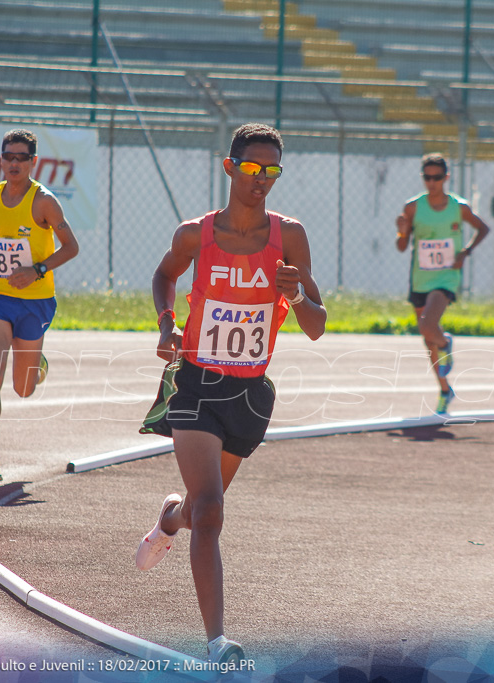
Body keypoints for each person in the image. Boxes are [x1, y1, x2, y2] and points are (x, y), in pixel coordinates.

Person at [134, 123, 326, 665]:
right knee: (215, 512)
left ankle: (170, 519)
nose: (259, 179)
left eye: (271, 171)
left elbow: (316, 323)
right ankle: (218, 641)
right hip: (196, 380)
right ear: (229, 167)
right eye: (250, 168)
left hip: (249, 393)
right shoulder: (196, 234)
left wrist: (296, 294)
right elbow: (164, 274)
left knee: (198, 511)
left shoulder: (290, 236)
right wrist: (167, 323)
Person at [0, 129, 79, 482]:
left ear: (32, 162)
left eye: (20, 158)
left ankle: (35, 362)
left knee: (23, 388)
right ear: (1, 160)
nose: (13, 163)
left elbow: (71, 247)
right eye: (8, 157)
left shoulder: (44, 202)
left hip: (35, 302)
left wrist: (37, 269)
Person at [395, 153, 490, 415]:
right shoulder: (413, 207)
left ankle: (446, 342)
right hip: (420, 278)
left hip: (446, 277)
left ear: (446, 178)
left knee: (428, 325)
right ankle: (445, 389)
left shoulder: (459, 207)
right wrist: (402, 230)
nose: (432, 182)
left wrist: (465, 252)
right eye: (427, 177)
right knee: (428, 339)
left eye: (437, 177)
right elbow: (402, 246)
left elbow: (483, 228)